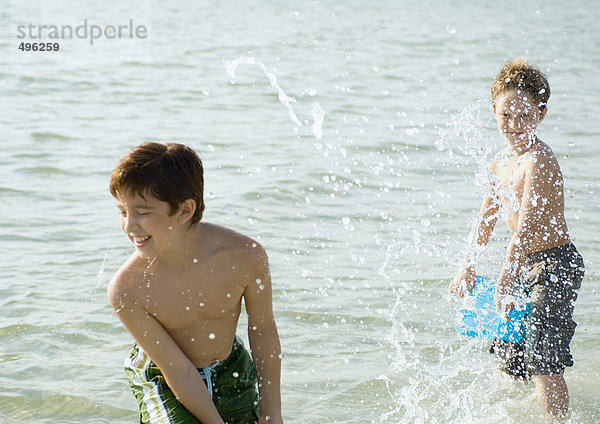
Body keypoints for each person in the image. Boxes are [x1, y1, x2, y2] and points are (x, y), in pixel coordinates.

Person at [107, 142, 283, 424]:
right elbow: (178, 372)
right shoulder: (128, 288)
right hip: (163, 376)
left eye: (141, 212)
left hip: (230, 367)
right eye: (122, 211)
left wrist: (272, 412)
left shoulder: (245, 256)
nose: (129, 226)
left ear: (185, 210)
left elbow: (262, 329)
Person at [448, 58, 585, 418]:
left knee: (543, 358)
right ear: (494, 110)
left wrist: (507, 275)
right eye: (506, 115)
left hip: (555, 265)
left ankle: (558, 419)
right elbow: (485, 220)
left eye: (524, 116)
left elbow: (524, 228)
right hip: (523, 264)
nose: (513, 125)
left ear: (540, 115)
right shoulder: (499, 162)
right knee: (511, 352)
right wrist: (467, 265)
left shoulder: (538, 160)